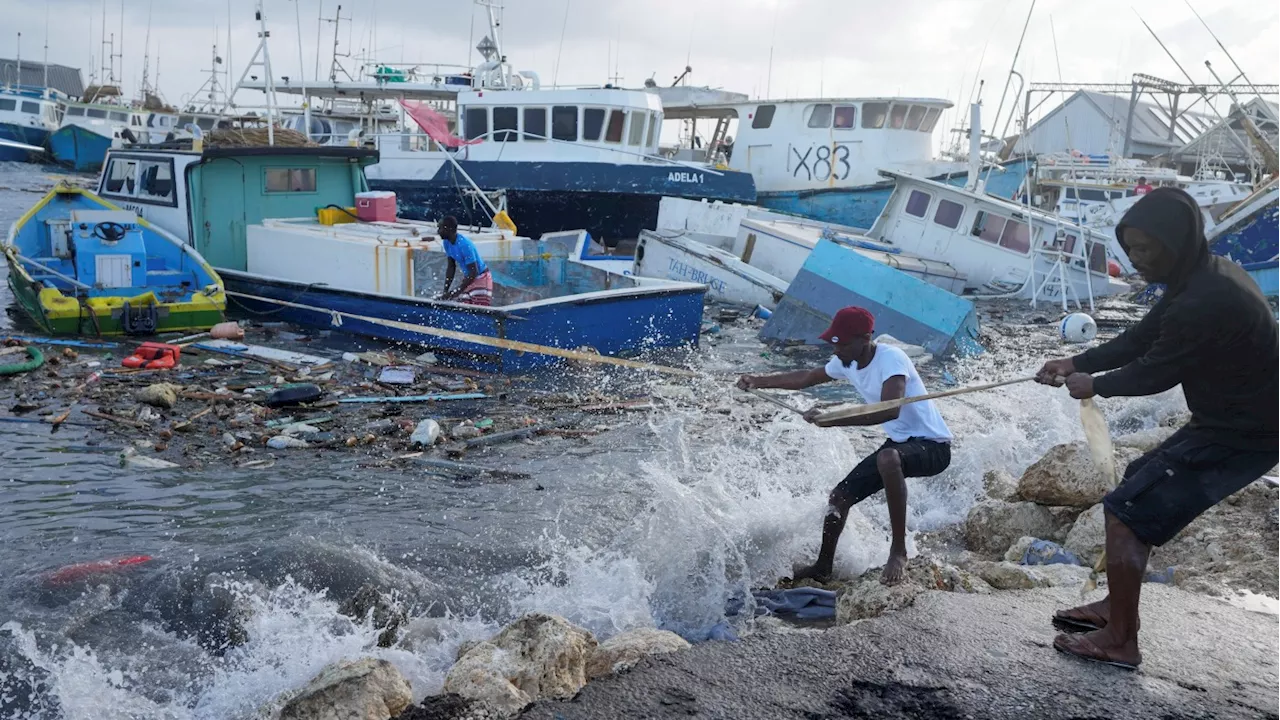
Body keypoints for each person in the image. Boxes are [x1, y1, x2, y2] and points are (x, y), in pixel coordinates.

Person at [1036, 187, 1280, 670]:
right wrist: (1076, 359)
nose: (1136, 261)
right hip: (1231, 420)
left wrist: (1093, 384)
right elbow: (1142, 338)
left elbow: (1155, 372)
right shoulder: (1200, 276)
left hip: (1246, 432)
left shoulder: (1204, 299)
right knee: (1137, 479)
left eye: (1145, 250)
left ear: (1176, 241)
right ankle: (1115, 608)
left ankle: (1121, 640)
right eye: (1130, 251)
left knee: (1126, 511)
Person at [737, 307, 953, 586]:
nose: (836, 350)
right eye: (834, 343)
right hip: (900, 445)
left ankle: (898, 552)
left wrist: (833, 419)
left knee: (888, 458)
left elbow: (889, 411)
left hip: (933, 447)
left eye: (843, 344)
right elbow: (806, 378)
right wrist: (758, 381)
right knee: (839, 498)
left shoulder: (892, 359)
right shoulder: (846, 361)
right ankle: (823, 567)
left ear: (866, 339)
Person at [437, 216, 492, 306]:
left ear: (449, 229)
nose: (438, 231)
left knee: (478, 309)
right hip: (469, 278)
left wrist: (457, 291)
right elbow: (451, 267)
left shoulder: (464, 245)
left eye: (440, 228)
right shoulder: (446, 242)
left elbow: (474, 272)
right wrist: (445, 292)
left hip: (481, 277)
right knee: (460, 306)